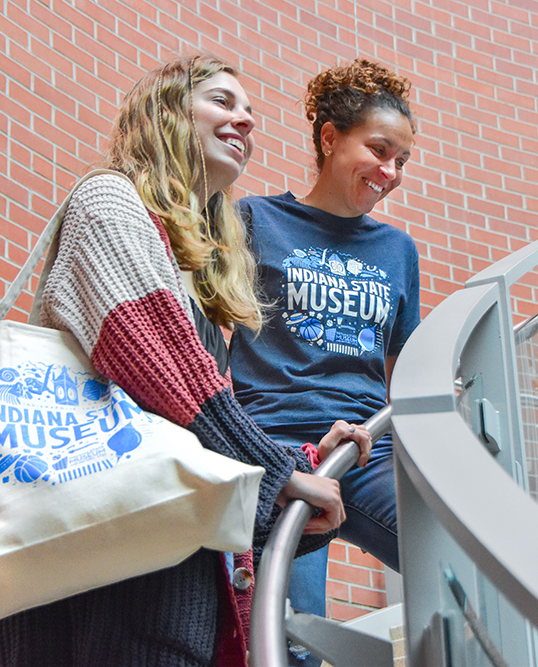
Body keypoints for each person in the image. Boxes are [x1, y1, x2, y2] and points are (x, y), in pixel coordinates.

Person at [0, 55, 371, 667]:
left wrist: (301, 468)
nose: (244, 121)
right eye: (223, 102)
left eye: (249, 112)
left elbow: (190, 457)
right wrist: (275, 470)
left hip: (171, 606)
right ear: (165, 113)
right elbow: (151, 355)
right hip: (95, 606)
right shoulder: (108, 202)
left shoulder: (192, 283)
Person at [229, 58, 421, 665]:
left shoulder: (396, 250)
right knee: (292, 640)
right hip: (276, 451)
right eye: (380, 150)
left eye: (402, 161)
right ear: (329, 137)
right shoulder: (254, 220)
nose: (390, 172)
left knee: (459, 557)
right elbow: (205, 340)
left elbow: (405, 372)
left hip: (366, 449)